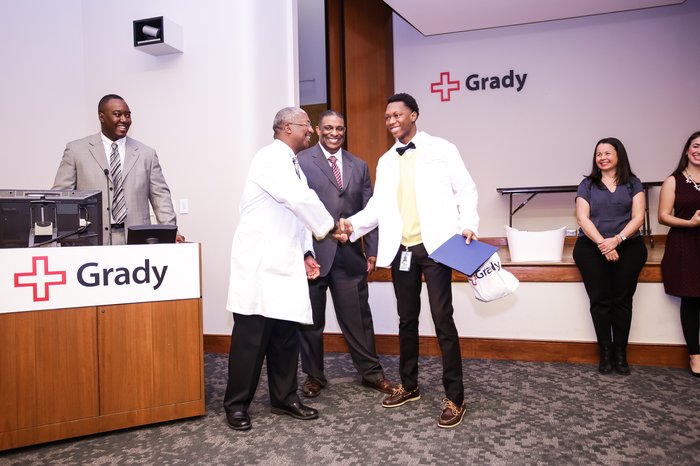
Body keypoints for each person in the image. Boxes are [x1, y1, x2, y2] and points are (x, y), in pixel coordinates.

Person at [337, 93, 479, 429]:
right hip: (403, 250)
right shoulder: (386, 160)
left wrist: (468, 224)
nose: (390, 121)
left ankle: (455, 398)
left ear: (413, 115)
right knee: (406, 320)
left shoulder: (442, 149)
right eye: (386, 117)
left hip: (437, 248)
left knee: (443, 320)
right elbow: (377, 209)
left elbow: (466, 189)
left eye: (396, 115)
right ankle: (409, 384)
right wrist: (352, 226)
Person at [223, 107, 341, 432]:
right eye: (307, 126)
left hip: (286, 264)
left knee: (286, 338)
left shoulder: (294, 166)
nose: (311, 132)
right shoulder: (269, 158)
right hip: (261, 265)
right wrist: (330, 227)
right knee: (252, 340)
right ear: (287, 127)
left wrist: (306, 252)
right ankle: (236, 405)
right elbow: (298, 199)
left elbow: (296, 214)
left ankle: (284, 397)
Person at [296, 110, 395, 398]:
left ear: (345, 130)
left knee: (359, 319)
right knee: (311, 321)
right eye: (328, 128)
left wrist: (372, 251)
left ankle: (371, 373)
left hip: (350, 255)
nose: (334, 133)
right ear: (318, 129)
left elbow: (370, 211)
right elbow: (296, 211)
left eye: (339, 128)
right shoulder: (301, 162)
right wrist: (301, 252)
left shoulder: (359, 165)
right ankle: (314, 376)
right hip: (313, 255)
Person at [52, 94, 183, 245]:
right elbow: (62, 198)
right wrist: (60, 238)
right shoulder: (76, 151)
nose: (124, 120)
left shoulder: (147, 154)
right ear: (101, 116)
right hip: (91, 241)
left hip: (136, 240)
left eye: (128, 115)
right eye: (117, 114)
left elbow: (161, 197)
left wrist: (171, 232)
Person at [572, 137, 647, 375]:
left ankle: (620, 353)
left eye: (607, 153)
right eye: (598, 154)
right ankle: (605, 353)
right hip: (591, 246)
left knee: (622, 301)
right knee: (600, 301)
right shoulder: (587, 184)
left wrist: (618, 239)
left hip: (628, 246)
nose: (602, 158)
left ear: (618, 155)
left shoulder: (633, 183)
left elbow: (638, 217)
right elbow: (583, 218)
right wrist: (604, 244)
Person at [658, 131, 700, 377]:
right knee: (692, 300)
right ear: (687, 150)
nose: (699, 150)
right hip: (685, 244)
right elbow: (662, 216)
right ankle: (695, 355)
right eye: (695, 146)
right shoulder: (673, 180)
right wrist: (690, 223)